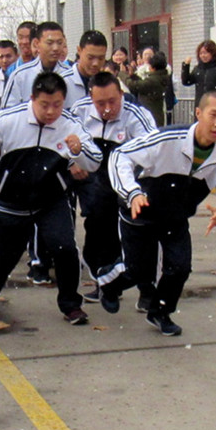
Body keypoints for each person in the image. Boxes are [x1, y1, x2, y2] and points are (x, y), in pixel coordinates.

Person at [96, 88, 216, 336]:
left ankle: (160, 312)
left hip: (175, 217)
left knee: (180, 267)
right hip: (140, 211)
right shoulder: (167, 139)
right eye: (214, 115)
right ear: (198, 113)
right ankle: (108, 282)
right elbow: (120, 156)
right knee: (138, 271)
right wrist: (132, 192)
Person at [0, 71, 102, 325]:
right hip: (13, 198)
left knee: (65, 248)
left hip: (51, 199)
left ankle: (71, 304)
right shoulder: (9, 119)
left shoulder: (70, 124)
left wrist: (79, 150)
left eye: (57, 104)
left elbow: (94, 161)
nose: (51, 111)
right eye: (44, 105)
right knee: (6, 255)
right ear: (32, 98)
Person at [69, 72, 157, 300]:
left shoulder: (137, 116)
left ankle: (147, 291)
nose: (107, 108)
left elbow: (152, 152)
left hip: (132, 180)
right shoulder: (79, 111)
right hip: (98, 180)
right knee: (98, 232)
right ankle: (105, 283)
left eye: (112, 101)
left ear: (121, 95)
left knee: (137, 237)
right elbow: (61, 137)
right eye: (100, 103)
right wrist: (72, 161)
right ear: (91, 98)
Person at [1, 22, 85, 108]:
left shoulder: (71, 75)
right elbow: (7, 112)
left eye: (59, 43)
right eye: (50, 43)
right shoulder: (20, 75)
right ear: (36, 44)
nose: (55, 48)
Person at [180, 39, 216, 108]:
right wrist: (186, 66)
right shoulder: (198, 69)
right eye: (200, 53)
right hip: (200, 106)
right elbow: (186, 81)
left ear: (212, 53)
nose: (203, 56)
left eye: (205, 53)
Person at [127, 51, 172, 126]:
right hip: (157, 115)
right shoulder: (162, 77)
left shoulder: (153, 80)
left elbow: (134, 85)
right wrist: (133, 76)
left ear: (153, 68)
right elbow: (142, 83)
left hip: (150, 116)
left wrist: (123, 75)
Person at [73, 30, 109, 94]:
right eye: (90, 58)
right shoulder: (63, 83)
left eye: (101, 58)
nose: (96, 63)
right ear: (79, 51)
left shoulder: (109, 84)